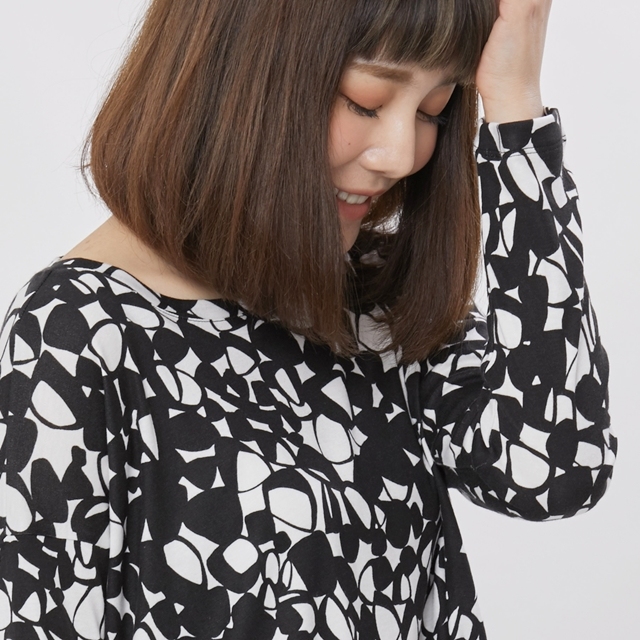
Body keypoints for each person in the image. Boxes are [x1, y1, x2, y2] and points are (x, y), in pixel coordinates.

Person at [0, 0, 616, 638]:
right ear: (239, 71)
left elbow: (553, 468)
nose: (400, 154)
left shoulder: (370, 295)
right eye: (366, 102)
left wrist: (514, 109)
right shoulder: (76, 333)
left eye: (433, 109)